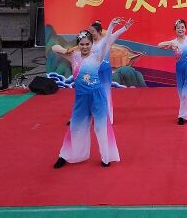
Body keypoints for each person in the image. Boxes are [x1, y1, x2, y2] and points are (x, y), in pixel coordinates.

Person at [51, 18, 133, 169]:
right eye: (81, 44)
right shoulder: (73, 56)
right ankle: (66, 155)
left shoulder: (96, 57)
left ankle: (106, 157)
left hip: (97, 96)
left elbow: (107, 42)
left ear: (91, 44)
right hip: (81, 98)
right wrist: (65, 50)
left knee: (101, 127)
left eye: (87, 44)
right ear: (78, 45)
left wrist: (111, 26)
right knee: (75, 127)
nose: (84, 47)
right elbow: (54, 48)